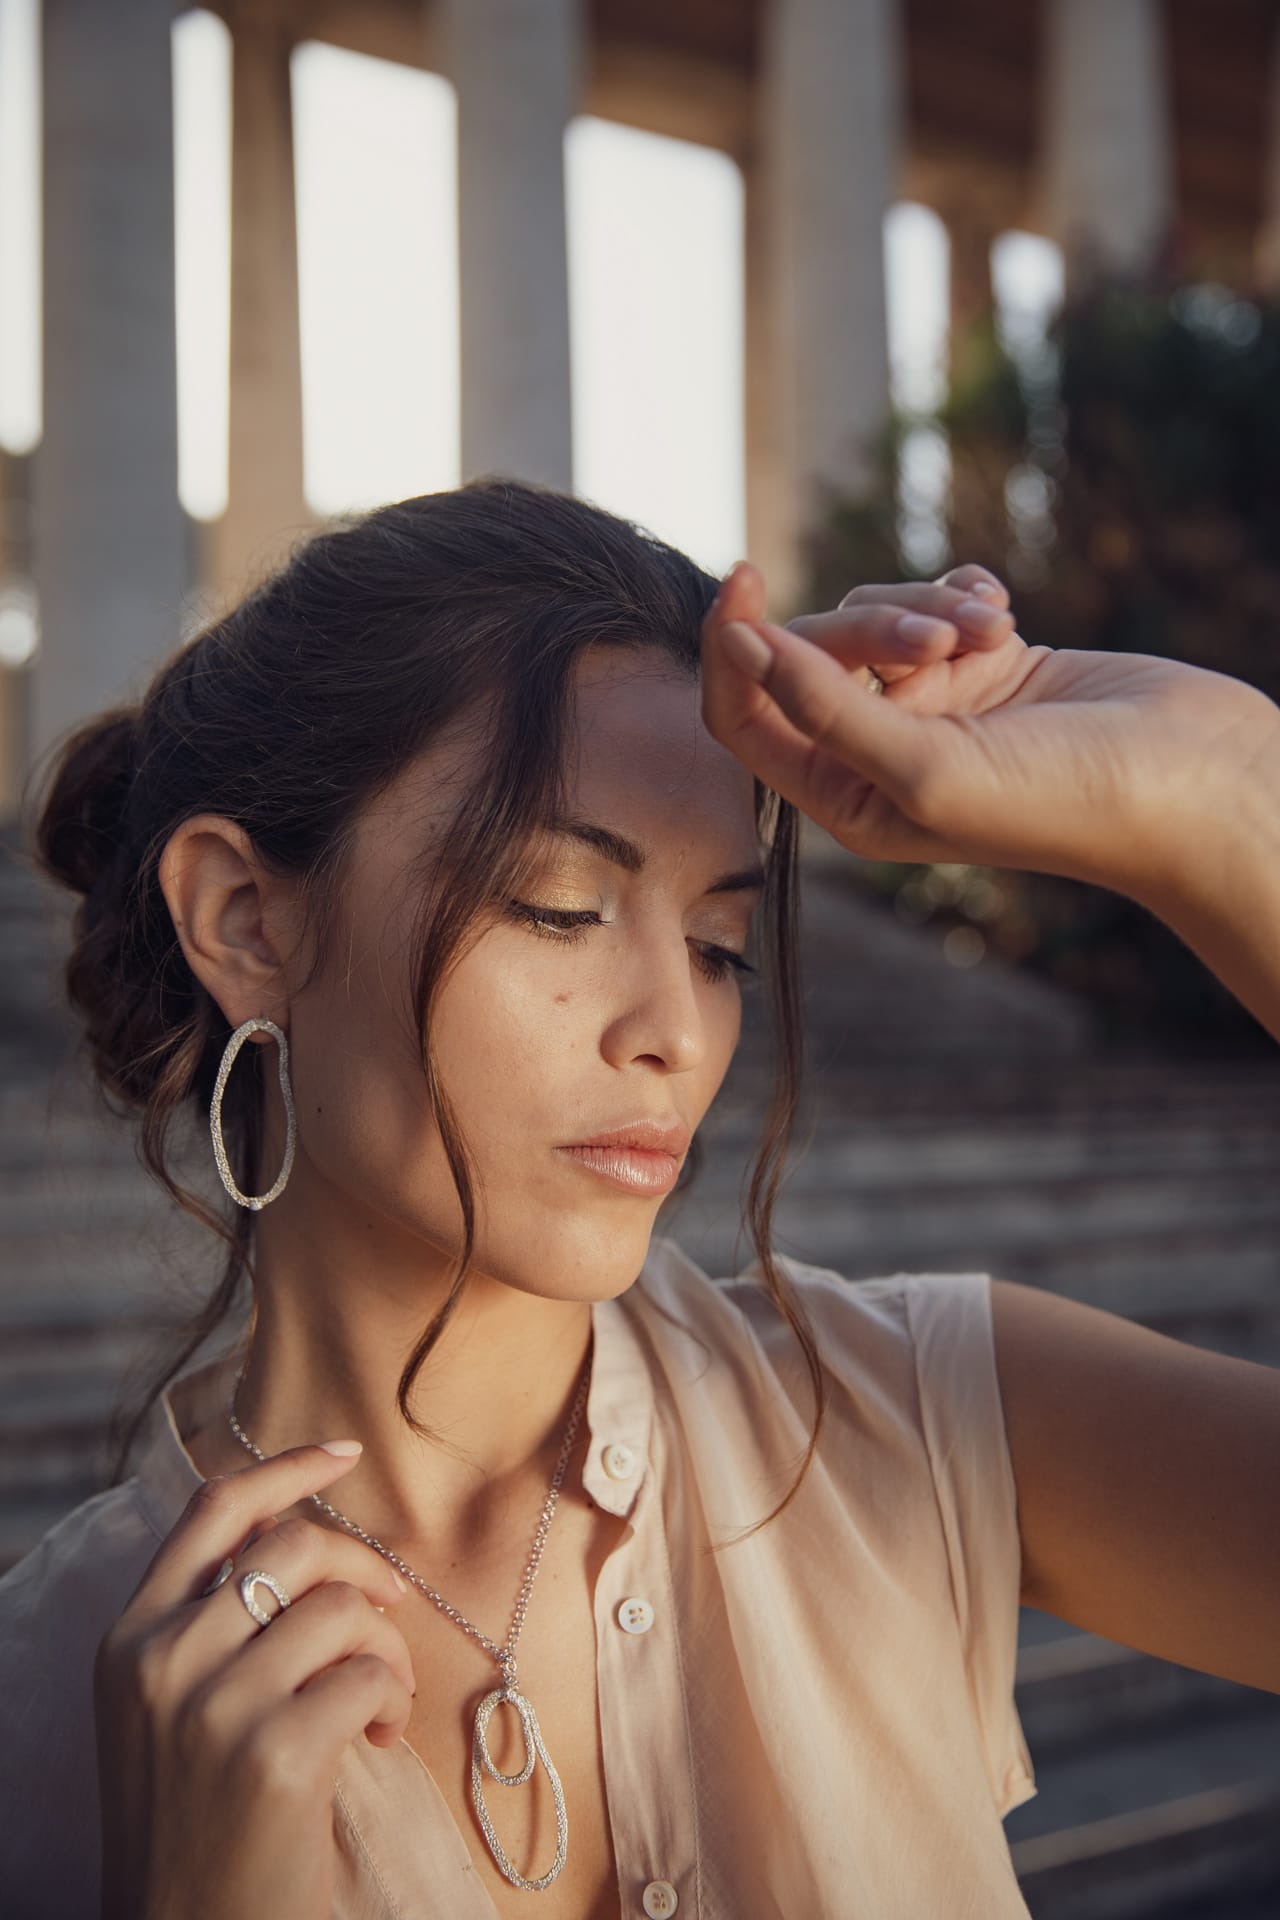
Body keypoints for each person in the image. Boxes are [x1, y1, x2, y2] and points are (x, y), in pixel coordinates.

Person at [1, 477, 1277, 1920]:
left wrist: (1231, 795)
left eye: (722, 943)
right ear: (245, 919)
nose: (674, 1026)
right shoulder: (40, 1701)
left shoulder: (908, 1422)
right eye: (558, 905)